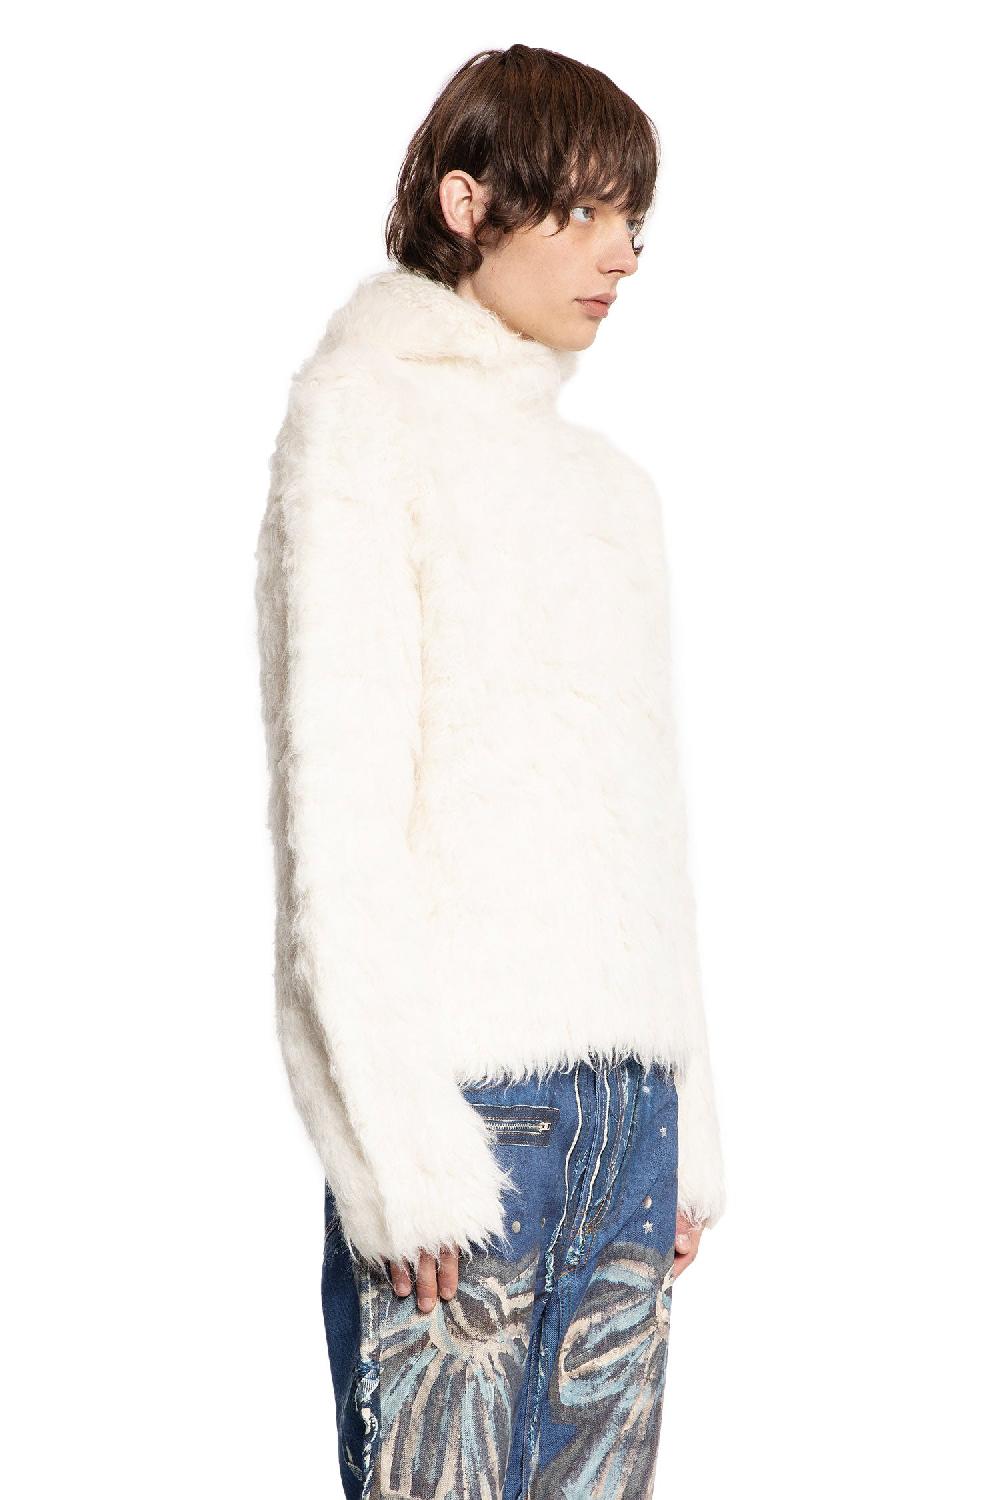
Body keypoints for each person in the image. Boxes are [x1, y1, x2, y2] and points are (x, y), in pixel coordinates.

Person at [255, 43, 726, 1500]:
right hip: (467, 1122)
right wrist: (397, 1149)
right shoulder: (362, 426)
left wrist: (686, 1124)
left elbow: (644, 830)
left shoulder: (611, 494)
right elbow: (335, 820)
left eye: (634, 221)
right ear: (468, 203)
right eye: (584, 213)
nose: (621, 256)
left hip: (627, 1116)